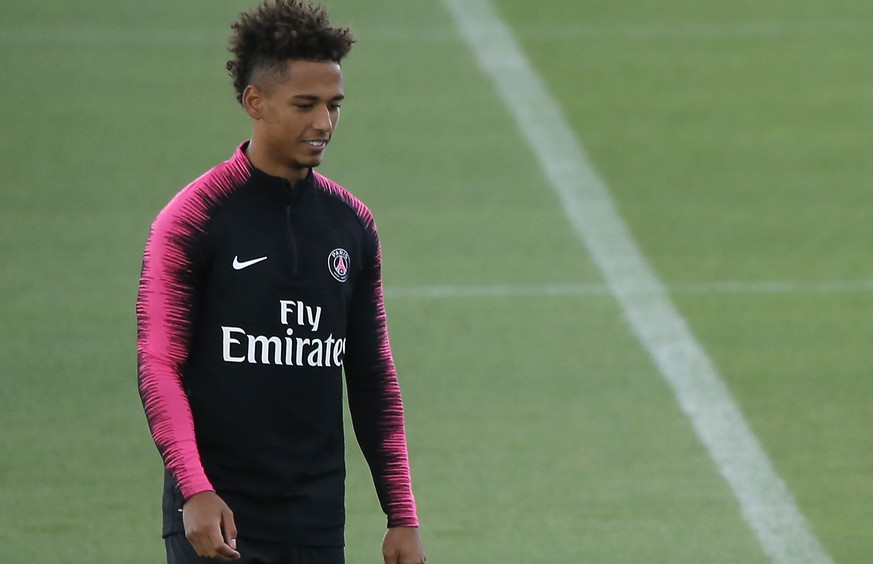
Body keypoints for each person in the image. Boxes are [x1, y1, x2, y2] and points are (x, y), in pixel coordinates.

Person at [136, 1, 426, 562]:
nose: (324, 122)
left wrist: (402, 514)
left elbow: (371, 375)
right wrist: (193, 489)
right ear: (255, 101)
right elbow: (158, 362)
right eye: (305, 104)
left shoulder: (352, 224)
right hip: (218, 519)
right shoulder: (194, 218)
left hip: (316, 522)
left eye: (334, 105)